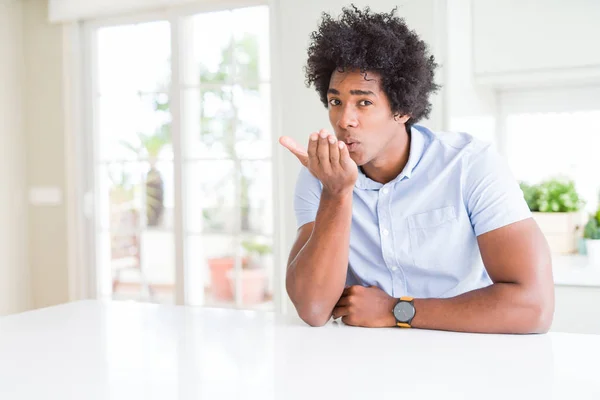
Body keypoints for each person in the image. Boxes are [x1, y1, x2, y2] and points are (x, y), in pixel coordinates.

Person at [278, 5, 554, 333]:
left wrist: (397, 311)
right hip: (361, 361)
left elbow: (533, 306)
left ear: (403, 109)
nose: (343, 120)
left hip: (466, 355)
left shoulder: (470, 165)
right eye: (336, 101)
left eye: (363, 102)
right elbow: (312, 308)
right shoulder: (324, 178)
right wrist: (337, 194)